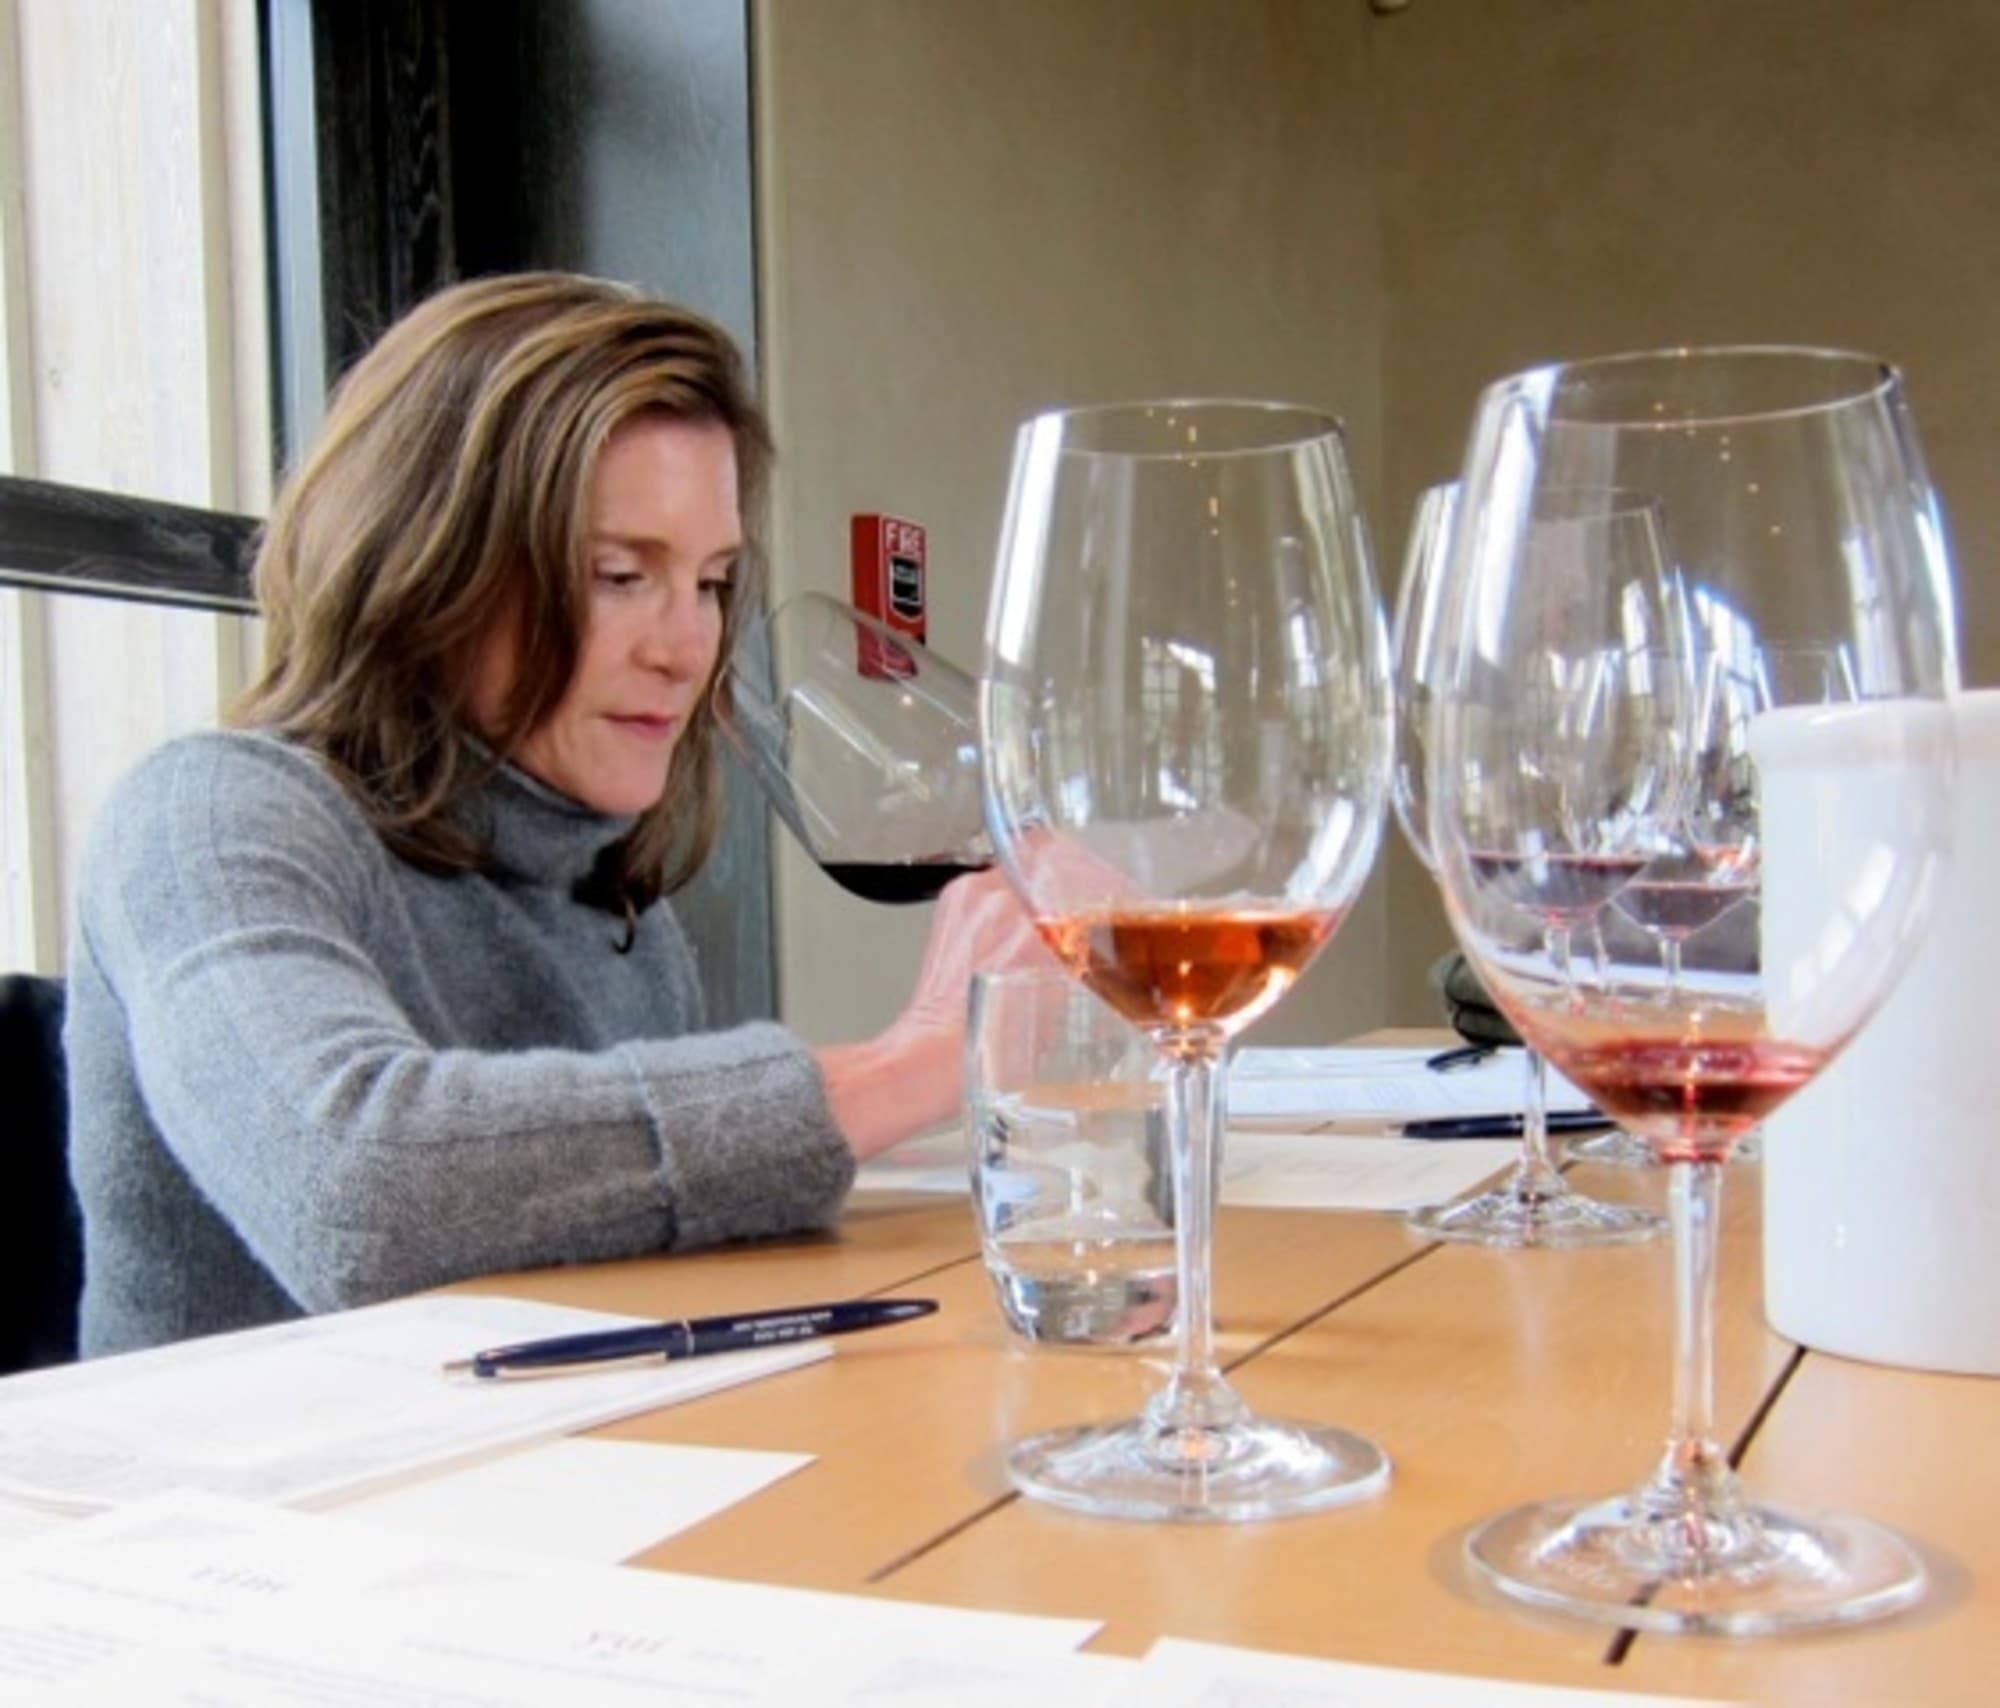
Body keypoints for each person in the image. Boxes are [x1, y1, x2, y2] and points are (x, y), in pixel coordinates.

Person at [65, 271, 1046, 1357]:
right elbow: (358, 1188)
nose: (684, 648)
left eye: (711, 583)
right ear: (425, 564)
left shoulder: (607, 898)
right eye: (620, 575)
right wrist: (923, 1055)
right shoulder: (207, 815)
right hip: (239, 1509)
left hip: (528, 1475)